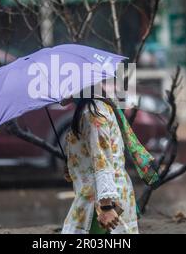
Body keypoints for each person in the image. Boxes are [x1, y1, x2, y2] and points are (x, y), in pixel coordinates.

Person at [60, 92, 139, 234]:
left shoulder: (93, 113)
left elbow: (102, 160)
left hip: (102, 199)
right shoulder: (91, 108)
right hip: (98, 194)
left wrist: (106, 207)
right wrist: (74, 167)